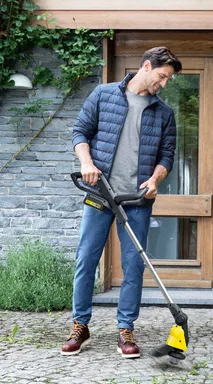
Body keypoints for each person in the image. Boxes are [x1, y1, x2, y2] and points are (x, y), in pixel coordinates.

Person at [61, 47, 182, 358]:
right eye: (162, 76)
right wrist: (87, 163)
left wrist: (155, 180)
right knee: (86, 260)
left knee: (132, 266)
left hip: (137, 200)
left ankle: (125, 328)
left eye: (168, 79)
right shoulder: (104, 95)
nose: (164, 83)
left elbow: (167, 156)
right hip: (101, 195)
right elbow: (80, 132)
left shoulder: (164, 113)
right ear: (146, 66)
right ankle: (80, 325)